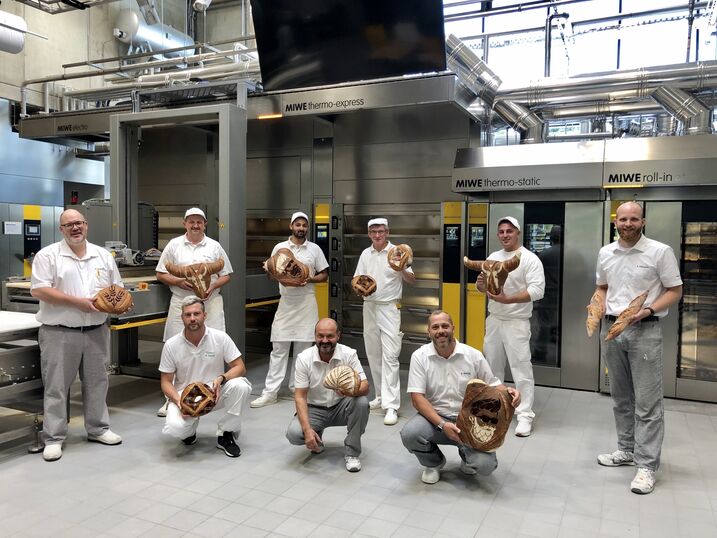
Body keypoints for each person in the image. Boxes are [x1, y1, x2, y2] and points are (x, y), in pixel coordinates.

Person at [594, 201, 682, 495]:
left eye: (634, 219)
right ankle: (627, 450)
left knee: (647, 402)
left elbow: (675, 291)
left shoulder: (659, 251)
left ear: (642, 221)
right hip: (611, 329)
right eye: (623, 219)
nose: (628, 224)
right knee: (620, 396)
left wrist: (647, 311)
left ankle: (647, 465)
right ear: (615, 221)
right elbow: (603, 286)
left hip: (644, 329)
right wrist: (596, 303)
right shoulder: (606, 253)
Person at [30, 209, 124, 462]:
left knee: (97, 383)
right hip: (59, 333)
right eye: (69, 225)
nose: (75, 228)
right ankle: (54, 438)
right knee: (56, 387)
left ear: (87, 225)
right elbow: (39, 290)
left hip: (96, 331)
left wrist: (116, 302)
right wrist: (77, 303)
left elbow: (117, 289)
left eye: (79, 223)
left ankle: (98, 428)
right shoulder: (48, 255)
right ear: (61, 229)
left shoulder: (103, 256)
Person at [401, 311, 520, 484]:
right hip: (435, 419)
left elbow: (493, 384)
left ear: (453, 328)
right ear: (429, 332)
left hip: (469, 421)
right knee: (410, 434)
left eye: (445, 326)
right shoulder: (420, 357)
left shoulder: (472, 355)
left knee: (486, 467)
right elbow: (417, 398)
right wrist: (442, 424)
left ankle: (467, 455)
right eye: (435, 327)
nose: (441, 330)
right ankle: (433, 463)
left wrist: (510, 392)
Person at [155, 207, 233, 416]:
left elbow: (226, 274)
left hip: (210, 303)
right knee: (175, 346)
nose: (195, 225)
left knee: (216, 346)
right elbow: (161, 273)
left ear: (205, 224)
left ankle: (214, 394)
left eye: (199, 222)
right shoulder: (174, 245)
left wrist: (212, 287)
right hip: (181, 302)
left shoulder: (214, 246)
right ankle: (171, 399)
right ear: (185, 223)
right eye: (192, 221)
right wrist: (179, 281)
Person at [251, 212, 329, 408]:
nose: (301, 228)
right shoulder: (280, 248)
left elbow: (324, 275)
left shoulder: (315, 249)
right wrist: (269, 270)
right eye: (298, 224)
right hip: (286, 302)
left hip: (307, 302)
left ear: (307, 228)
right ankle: (270, 393)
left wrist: (309, 279)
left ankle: (298, 388)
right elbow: (272, 276)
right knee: (278, 349)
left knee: (303, 351)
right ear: (291, 226)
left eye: (304, 225)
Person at [158, 296, 252, 458]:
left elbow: (240, 367)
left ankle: (226, 433)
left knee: (241, 386)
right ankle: (188, 432)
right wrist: (180, 403)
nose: (192, 318)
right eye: (188, 315)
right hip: (185, 397)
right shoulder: (171, 345)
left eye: (196, 313)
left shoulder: (220, 337)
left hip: (214, 392)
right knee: (176, 428)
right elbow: (166, 382)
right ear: (182, 318)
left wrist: (222, 378)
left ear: (204, 315)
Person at [477, 216, 544, 437]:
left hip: (517, 322)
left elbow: (537, 291)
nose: (505, 235)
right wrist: (480, 285)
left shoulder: (529, 259)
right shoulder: (493, 257)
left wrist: (509, 299)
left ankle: (524, 415)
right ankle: (495, 410)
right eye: (501, 231)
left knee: (521, 369)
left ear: (518, 233)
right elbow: (486, 287)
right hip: (494, 319)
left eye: (509, 231)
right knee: (491, 367)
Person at [286, 318, 370, 472]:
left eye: (330, 336)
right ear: (315, 336)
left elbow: (365, 386)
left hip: (341, 406)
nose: (325, 340)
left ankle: (352, 453)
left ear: (338, 335)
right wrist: (306, 430)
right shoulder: (304, 358)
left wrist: (350, 390)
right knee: (294, 434)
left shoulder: (349, 354)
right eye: (320, 336)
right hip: (314, 408)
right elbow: (300, 396)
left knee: (362, 402)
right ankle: (315, 436)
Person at [354, 218, 416, 426]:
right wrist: (359, 287)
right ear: (369, 233)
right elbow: (357, 279)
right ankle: (380, 396)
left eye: (381, 231)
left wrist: (401, 269)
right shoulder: (365, 254)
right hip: (369, 306)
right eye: (373, 232)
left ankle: (392, 406)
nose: (377, 235)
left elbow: (412, 280)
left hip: (389, 307)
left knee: (390, 356)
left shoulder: (398, 252)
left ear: (387, 232)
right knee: (373, 353)